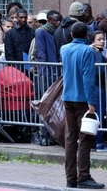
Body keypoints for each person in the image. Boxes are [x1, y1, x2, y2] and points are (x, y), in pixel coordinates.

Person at [61, 21, 105, 189]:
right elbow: (88, 78)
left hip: (68, 97)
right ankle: (84, 176)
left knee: (70, 139)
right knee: (85, 138)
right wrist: (91, 103)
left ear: (71, 34)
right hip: (82, 99)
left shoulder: (64, 49)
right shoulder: (87, 51)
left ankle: (70, 178)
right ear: (87, 35)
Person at [34, 10, 62, 146]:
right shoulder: (41, 32)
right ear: (49, 20)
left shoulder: (57, 32)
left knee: (55, 107)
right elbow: (41, 54)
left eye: (60, 20)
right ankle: (43, 135)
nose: (58, 23)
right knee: (45, 105)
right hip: (47, 73)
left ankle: (52, 135)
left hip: (56, 71)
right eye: (56, 20)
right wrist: (45, 72)